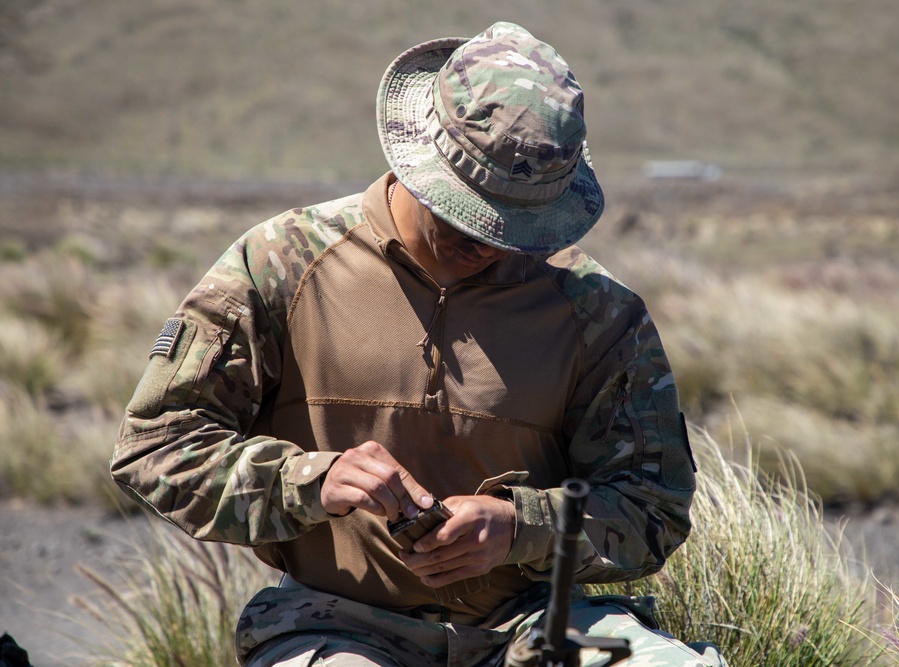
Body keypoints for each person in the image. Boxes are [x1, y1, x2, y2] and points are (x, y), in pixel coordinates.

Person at [111, 21, 725, 667]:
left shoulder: (597, 310)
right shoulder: (281, 263)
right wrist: (309, 481)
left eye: (517, 225)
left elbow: (652, 506)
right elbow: (156, 445)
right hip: (338, 624)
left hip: (540, 623)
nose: (486, 241)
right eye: (466, 211)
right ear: (420, 160)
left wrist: (520, 527)